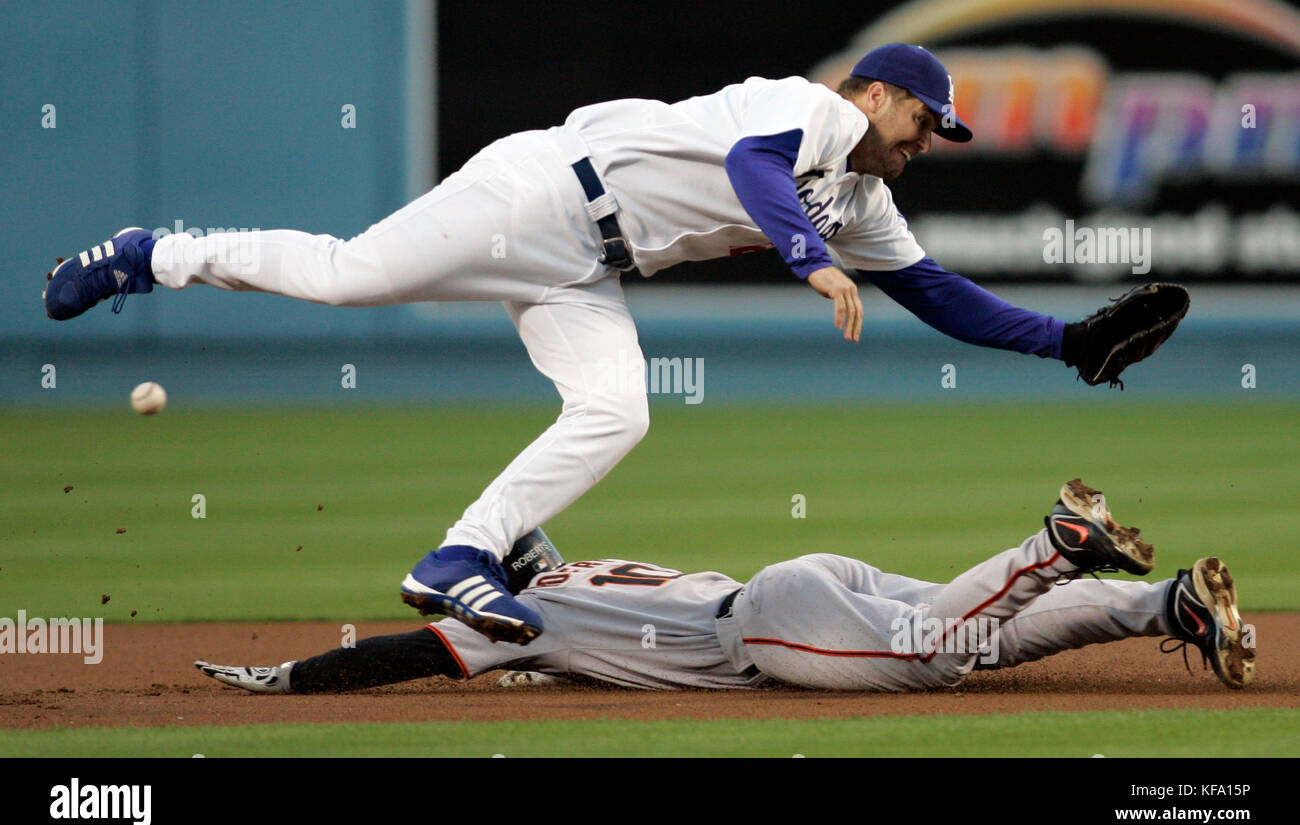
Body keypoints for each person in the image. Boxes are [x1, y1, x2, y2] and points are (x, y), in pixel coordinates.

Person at [45, 44, 1168, 647]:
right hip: (538, 192)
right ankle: (158, 253)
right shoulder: (809, 112)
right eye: (925, 120)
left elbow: (935, 292)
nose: (930, 141)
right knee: (350, 277)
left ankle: (456, 556)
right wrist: (807, 262)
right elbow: (752, 174)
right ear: (874, 94)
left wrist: (1065, 342)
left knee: (619, 408)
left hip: (586, 265)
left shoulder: (862, 198)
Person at [194, 480, 1256, 695]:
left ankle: (1055, 543)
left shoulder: (517, 619)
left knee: (943, 650)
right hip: (798, 584)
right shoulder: (573, 577)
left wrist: (290, 676)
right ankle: (1167, 604)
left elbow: (395, 656)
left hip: (772, 627)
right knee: (979, 631)